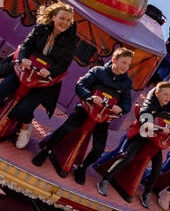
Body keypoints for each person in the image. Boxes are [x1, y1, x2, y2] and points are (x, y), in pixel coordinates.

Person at [0, 1, 79, 149]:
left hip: (45, 79)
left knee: (26, 107)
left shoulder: (71, 41)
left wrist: (50, 72)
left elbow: (64, 64)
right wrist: (23, 58)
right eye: (62, 18)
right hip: (26, 69)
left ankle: (25, 128)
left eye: (68, 20)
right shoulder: (40, 29)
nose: (65, 22)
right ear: (53, 17)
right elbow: (26, 45)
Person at [30, 48, 134, 180]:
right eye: (123, 62)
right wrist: (89, 96)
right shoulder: (98, 71)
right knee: (66, 127)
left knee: (99, 147)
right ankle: (46, 151)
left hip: (103, 116)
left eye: (128, 64)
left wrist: (121, 108)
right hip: (86, 108)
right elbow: (81, 85)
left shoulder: (127, 82)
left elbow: (127, 103)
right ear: (114, 60)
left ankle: (82, 167)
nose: (125, 67)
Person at [97, 81, 170, 207]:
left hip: (156, 139)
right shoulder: (150, 102)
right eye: (165, 94)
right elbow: (144, 118)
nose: (168, 98)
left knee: (157, 168)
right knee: (129, 156)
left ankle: (146, 193)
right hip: (142, 133)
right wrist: (158, 127)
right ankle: (105, 180)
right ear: (157, 93)